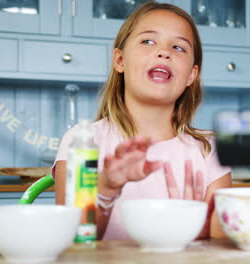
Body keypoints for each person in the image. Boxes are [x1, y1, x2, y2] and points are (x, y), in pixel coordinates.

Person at [53, 2, 232, 240]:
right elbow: (71, 241)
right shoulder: (83, 142)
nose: (164, 52)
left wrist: (194, 232)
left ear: (191, 75)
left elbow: (220, 247)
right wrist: (105, 190)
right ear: (120, 60)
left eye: (179, 47)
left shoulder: (210, 149)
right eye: (148, 41)